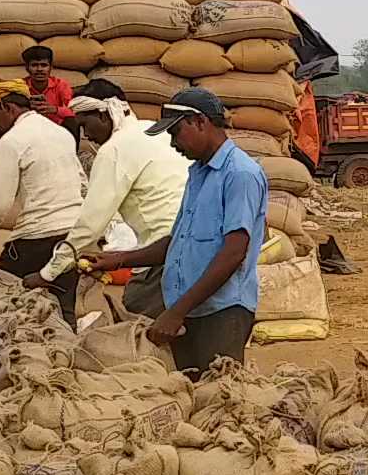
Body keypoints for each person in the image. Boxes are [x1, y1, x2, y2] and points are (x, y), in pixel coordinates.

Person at [82, 88, 268, 376]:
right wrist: (118, 259)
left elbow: (234, 252)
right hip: (191, 309)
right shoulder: (197, 173)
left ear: (200, 122)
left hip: (221, 312)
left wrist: (177, 311)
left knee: (219, 402)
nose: (172, 144)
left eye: (175, 133)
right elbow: (177, 240)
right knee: (191, 396)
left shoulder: (240, 174)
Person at [24, 79, 190, 320]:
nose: (85, 134)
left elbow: (90, 223)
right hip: (190, 245)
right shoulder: (157, 131)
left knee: (135, 319)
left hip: (163, 255)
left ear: (104, 115)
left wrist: (49, 273)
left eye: (85, 124)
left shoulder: (114, 149)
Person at [0, 80, 84, 324]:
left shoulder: (12, 142)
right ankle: (66, 355)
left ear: (7, 107)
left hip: (35, 240)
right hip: (70, 237)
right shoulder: (61, 133)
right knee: (64, 311)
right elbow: (82, 183)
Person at [22, 45, 78, 143]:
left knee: (72, 121)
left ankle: (72, 154)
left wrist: (54, 109)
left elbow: (73, 110)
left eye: (44, 65)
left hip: (56, 129)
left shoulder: (61, 85)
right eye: (34, 65)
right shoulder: (21, 86)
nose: (39, 69)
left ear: (51, 67)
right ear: (27, 68)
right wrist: (27, 107)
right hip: (28, 130)